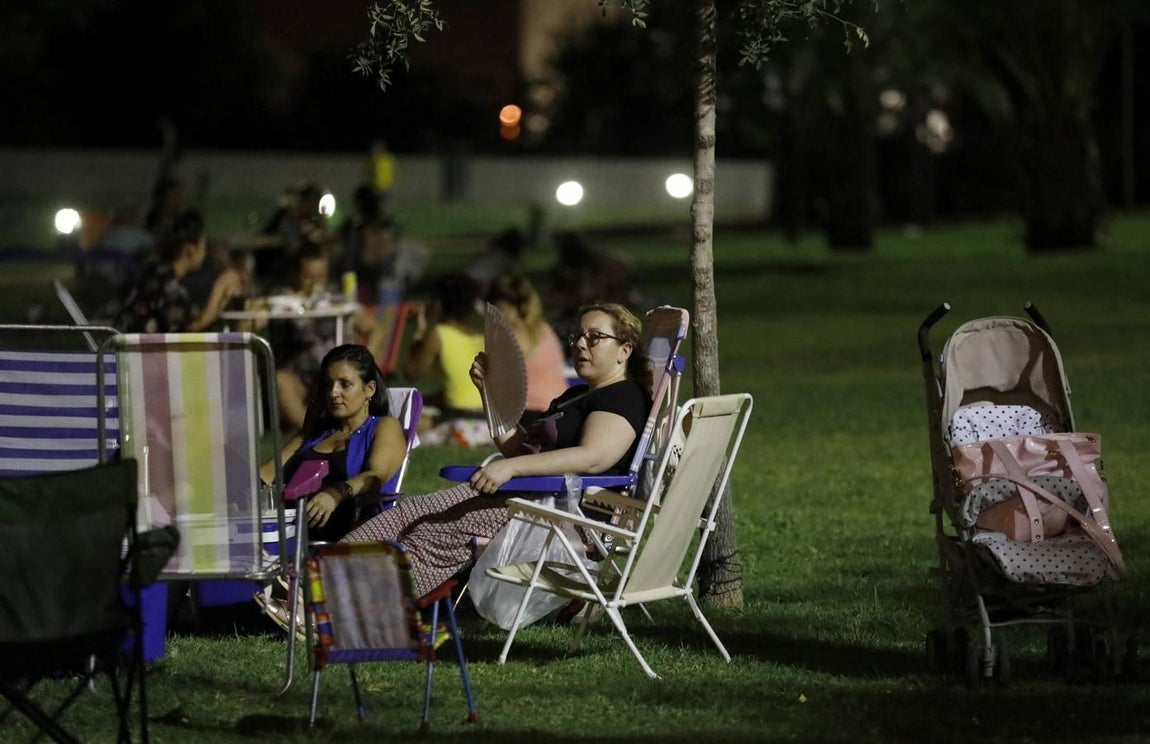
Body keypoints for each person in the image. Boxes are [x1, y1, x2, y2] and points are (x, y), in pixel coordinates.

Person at [343, 302, 652, 598]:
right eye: (577, 336)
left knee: (436, 535)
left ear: (625, 350)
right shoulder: (576, 395)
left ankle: (336, 603)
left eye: (595, 337)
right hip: (530, 497)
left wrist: (511, 469)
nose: (581, 344)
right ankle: (312, 579)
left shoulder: (623, 397)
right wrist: (488, 392)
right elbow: (521, 452)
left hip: (565, 517)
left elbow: (594, 457)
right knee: (410, 513)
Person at [255, 344, 407, 632]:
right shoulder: (318, 434)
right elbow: (264, 478)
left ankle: (299, 600)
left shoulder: (384, 427)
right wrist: (305, 434)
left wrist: (337, 493)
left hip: (341, 530)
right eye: (328, 385)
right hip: (289, 530)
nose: (333, 392)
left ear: (369, 389)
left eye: (345, 384)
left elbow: (377, 475)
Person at [268, 240, 385, 432]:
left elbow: (375, 329)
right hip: (302, 376)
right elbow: (249, 322)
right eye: (308, 277)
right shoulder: (282, 301)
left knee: (351, 377)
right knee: (281, 381)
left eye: (320, 276)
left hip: (339, 370)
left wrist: (362, 363)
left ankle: (352, 425)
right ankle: (313, 431)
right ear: (296, 274)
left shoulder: (335, 300)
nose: (316, 283)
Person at [115, 209, 244, 334]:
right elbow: (195, 326)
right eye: (203, 246)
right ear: (190, 250)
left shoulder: (155, 274)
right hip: (140, 354)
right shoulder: (167, 285)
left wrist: (223, 297)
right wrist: (220, 285)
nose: (204, 253)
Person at [402, 273, 486, 422]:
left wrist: (418, 333)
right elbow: (462, 387)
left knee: (401, 419)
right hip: (485, 417)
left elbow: (412, 372)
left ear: (439, 304)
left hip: (458, 416)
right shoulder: (481, 339)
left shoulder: (438, 334)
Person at [486, 272, 570, 422]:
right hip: (559, 408)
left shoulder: (511, 336)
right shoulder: (544, 329)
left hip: (530, 413)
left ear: (502, 306)